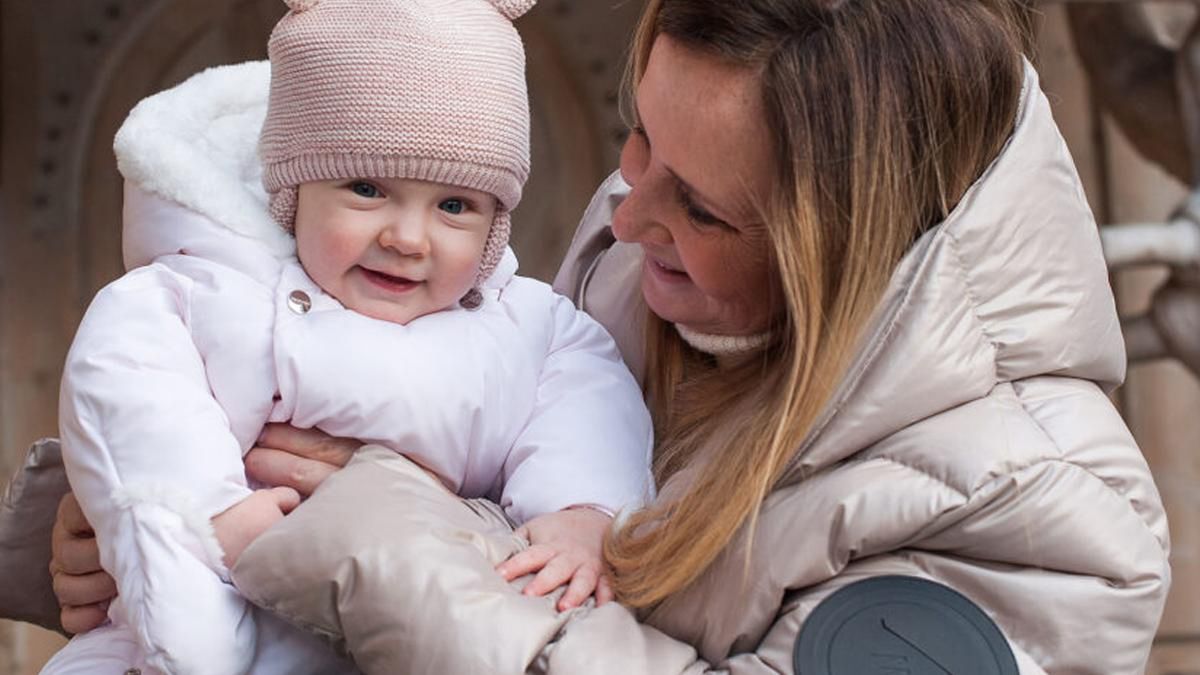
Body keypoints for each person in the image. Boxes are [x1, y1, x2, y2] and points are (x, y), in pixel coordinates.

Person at [2, 0, 1171, 672]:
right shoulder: (643, 278)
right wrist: (129, 524)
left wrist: (388, 548)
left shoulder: (1048, 520)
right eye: (637, 138)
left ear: (848, 246)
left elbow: (421, 529)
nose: (630, 209)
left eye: (704, 207)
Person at [38, 0, 653, 673]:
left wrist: (584, 510)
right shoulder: (213, 292)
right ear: (293, 191)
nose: (407, 237)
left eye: (455, 206)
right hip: (191, 618)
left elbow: (589, 405)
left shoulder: (524, 330)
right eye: (366, 187)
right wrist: (207, 514)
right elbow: (131, 382)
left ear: (495, 224)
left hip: (396, 643)